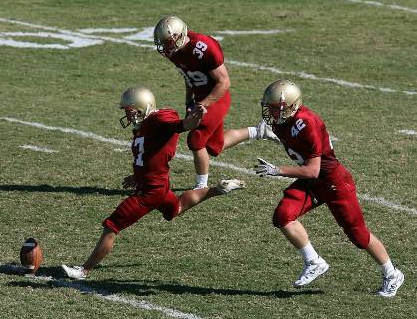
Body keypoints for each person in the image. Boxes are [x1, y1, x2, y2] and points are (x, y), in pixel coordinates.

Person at [62, 86, 245, 279]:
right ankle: (218, 189)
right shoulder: (146, 125)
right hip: (159, 185)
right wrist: (138, 175)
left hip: (149, 192)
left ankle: (84, 270)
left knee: (112, 226)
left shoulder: (159, 119)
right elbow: (151, 153)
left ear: (142, 107)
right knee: (176, 208)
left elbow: (182, 125)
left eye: (129, 110)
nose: (127, 114)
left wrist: (195, 118)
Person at [254, 79, 404, 297]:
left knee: (359, 236)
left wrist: (277, 170)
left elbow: (313, 170)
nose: (272, 111)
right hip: (315, 182)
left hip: (333, 182)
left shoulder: (307, 123)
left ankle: (392, 274)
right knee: (283, 215)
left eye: (276, 107)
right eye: (270, 106)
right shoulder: (281, 121)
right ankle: (314, 261)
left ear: (292, 106)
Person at [153, 15, 277, 190]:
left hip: (217, 97)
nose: (165, 47)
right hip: (200, 97)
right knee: (214, 147)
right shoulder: (171, 51)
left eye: (168, 42)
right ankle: (259, 131)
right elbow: (188, 76)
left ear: (179, 36)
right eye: (163, 42)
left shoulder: (203, 47)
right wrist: (189, 100)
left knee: (196, 140)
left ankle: (201, 186)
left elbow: (224, 82)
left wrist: (203, 103)